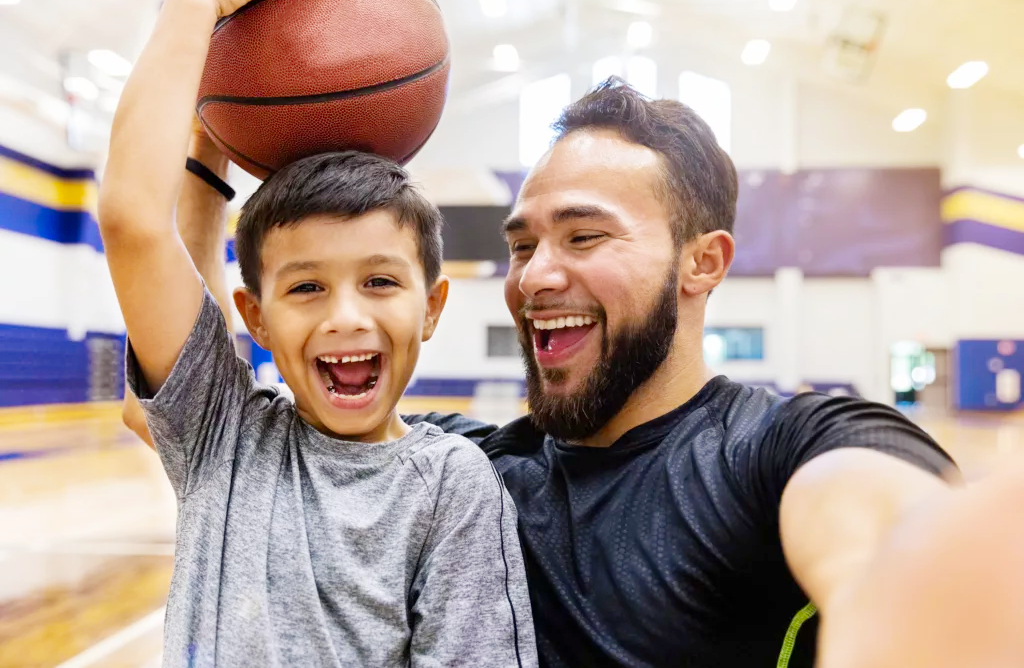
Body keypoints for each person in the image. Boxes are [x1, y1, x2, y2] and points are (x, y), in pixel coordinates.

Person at [121, 64, 1022, 668]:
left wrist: (929, 579)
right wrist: (215, 154)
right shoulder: (464, 466)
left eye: (585, 235)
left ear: (703, 262)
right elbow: (183, 386)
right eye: (523, 244)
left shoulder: (781, 448)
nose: (538, 274)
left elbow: (884, 534)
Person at [98, 0, 537, 666]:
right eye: (306, 287)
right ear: (255, 318)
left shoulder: (453, 483)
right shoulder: (224, 438)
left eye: (380, 281)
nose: (345, 316)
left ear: (433, 306)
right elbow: (133, 220)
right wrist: (196, 8)